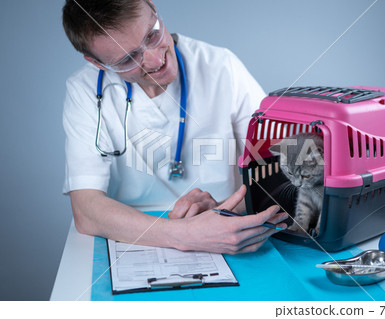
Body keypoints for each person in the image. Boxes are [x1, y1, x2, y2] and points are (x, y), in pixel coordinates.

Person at [61, 0, 288, 254]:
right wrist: (186, 235)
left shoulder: (221, 66)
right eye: (128, 59)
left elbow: (279, 168)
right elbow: (86, 211)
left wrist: (226, 209)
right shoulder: (83, 90)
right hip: (130, 240)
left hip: (224, 231)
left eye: (152, 34)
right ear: (98, 63)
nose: (155, 59)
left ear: (153, 6)